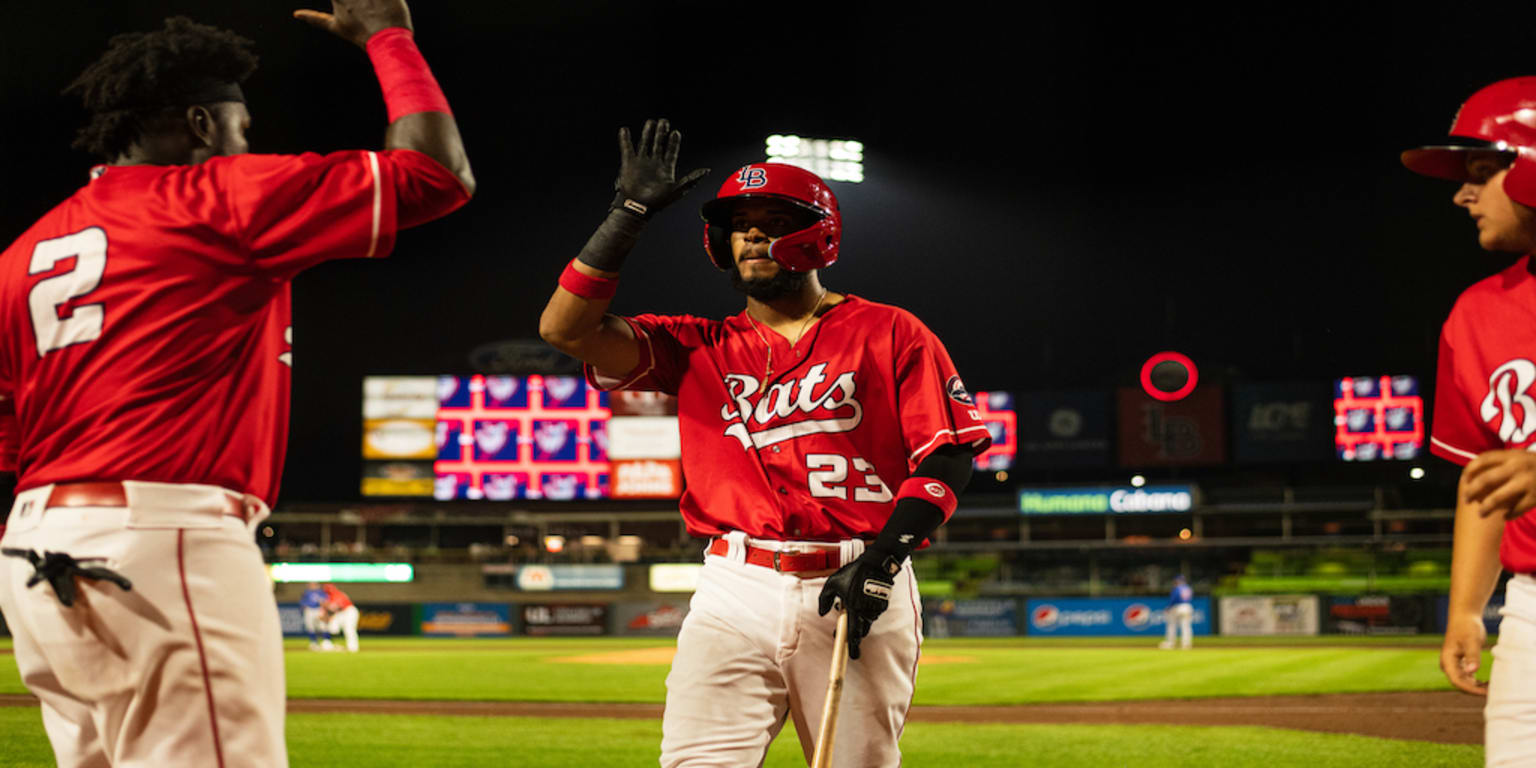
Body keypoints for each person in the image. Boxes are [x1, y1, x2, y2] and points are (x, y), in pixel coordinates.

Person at [0, 3, 473, 765]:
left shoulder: (25, 251)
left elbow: (7, 431)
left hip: (33, 550)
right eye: (240, 130)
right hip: (164, 538)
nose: (245, 144)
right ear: (199, 122)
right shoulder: (214, 196)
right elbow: (436, 176)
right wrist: (391, 38)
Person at [540, 119, 988, 767]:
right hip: (734, 583)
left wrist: (887, 557)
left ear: (818, 233)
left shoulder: (889, 331)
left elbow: (949, 452)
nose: (751, 233)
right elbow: (564, 328)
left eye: (772, 218)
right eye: (740, 223)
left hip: (858, 575)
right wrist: (628, 215)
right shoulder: (693, 346)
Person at [1403, 76, 1536, 767]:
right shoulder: (1477, 314)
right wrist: (1464, 610)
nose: (1463, 194)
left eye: (1484, 173)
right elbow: (1485, 475)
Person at [321, 582, 360, 653]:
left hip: (349, 611)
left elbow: (334, 608)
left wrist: (325, 606)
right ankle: (329, 644)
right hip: (341, 613)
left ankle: (353, 648)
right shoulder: (331, 596)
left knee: (349, 629)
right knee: (332, 628)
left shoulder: (338, 594)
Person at [1159, 574, 1193, 650]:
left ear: (1177, 581)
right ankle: (1186, 644)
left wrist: (1169, 607)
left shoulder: (1177, 588)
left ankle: (1171, 643)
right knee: (1186, 626)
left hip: (1178, 607)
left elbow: (1174, 599)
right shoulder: (1188, 588)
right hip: (1187, 606)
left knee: (1172, 625)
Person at [302, 581, 335, 650]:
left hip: (318, 609)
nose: (312, 585)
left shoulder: (321, 592)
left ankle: (327, 641)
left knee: (323, 626)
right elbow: (303, 602)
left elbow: (326, 602)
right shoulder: (307, 592)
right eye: (311, 584)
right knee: (310, 626)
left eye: (314, 584)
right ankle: (313, 643)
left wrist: (324, 606)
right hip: (309, 610)